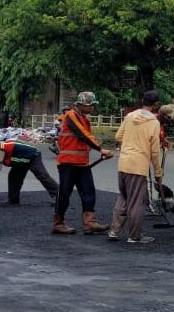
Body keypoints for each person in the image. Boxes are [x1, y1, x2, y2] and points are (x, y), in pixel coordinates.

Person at [53, 91, 114, 235]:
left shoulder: (84, 118)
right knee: (64, 193)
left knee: (88, 191)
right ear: (80, 105)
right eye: (90, 105)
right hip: (67, 163)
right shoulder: (71, 116)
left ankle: (89, 223)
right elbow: (83, 135)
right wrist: (100, 149)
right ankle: (58, 223)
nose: (92, 108)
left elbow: (86, 138)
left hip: (81, 163)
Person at [108, 90, 163, 245]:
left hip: (123, 163)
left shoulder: (130, 116)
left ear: (142, 101)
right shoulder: (154, 122)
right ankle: (134, 236)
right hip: (139, 166)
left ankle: (114, 231)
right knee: (137, 202)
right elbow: (154, 151)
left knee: (124, 197)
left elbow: (118, 136)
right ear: (156, 104)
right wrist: (158, 172)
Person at [0, 137, 59, 205]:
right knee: (13, 177)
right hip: (21, 160)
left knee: (42, 176)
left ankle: (59, 197)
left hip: (32, 155)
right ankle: (13, 200)